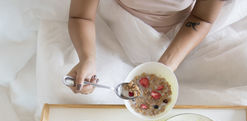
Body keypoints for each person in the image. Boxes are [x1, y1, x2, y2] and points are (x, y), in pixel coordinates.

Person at [67, 0, 225, 94]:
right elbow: (81, 16)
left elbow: (202, 18)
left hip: (184, 35)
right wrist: (87, 58)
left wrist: (165, 66)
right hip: (116, 25)